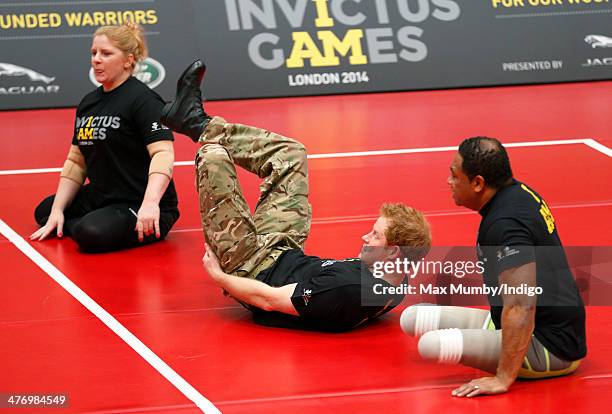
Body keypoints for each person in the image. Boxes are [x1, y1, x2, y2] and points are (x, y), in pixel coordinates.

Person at [160, 60, 432, 331]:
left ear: (394, 251)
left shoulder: (345, 289)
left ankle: (194, 123)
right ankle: (195, 122)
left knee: (213, 156)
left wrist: (220, 277)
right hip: (283, 249)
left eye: (375, 235)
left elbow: (267, 300)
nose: (365, 237)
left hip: (248, 265)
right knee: (292, 155)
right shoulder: (398, 278)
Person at [400, 137, 586, 396]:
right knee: (412, 317)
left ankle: (514, 363)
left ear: (478, 183)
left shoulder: (506, 225)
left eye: (454, 175)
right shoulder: (518, 192)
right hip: (516, 322)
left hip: (549, 344)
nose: (448, 182)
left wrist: (502, 378)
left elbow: (521, 304)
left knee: (431, 345)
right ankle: (497, 336)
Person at [30, 22, 179, 252]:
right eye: (94, 53)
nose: (96, 59)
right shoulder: (88, 103)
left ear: (128, 60)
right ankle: (75, 223)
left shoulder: (144, 100)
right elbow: (76, 162)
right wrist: (58, 210)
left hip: (140, 202)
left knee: (91, 233)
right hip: (103, 194)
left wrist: (150, 205)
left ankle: (84, 227)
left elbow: (163, 153)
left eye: (106, 53)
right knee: (46, 211)